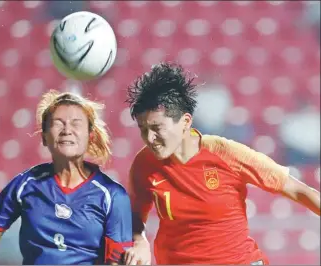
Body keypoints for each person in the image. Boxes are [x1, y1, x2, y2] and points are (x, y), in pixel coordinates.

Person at [122, 62, 321, 265]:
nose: (149, 137)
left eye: (157, 127)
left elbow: (297, 190)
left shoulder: (225, 153)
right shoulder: (144, 163)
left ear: (185, 121)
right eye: (143, 129)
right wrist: (139, 241)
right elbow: (135, 215)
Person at [0, 90, 132, 265]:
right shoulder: (24, 185)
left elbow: (117, 264)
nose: (67, 130)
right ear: (44, 136)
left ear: (90, 135)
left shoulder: (112, 196)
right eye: (58, 123)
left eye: (76, 123)